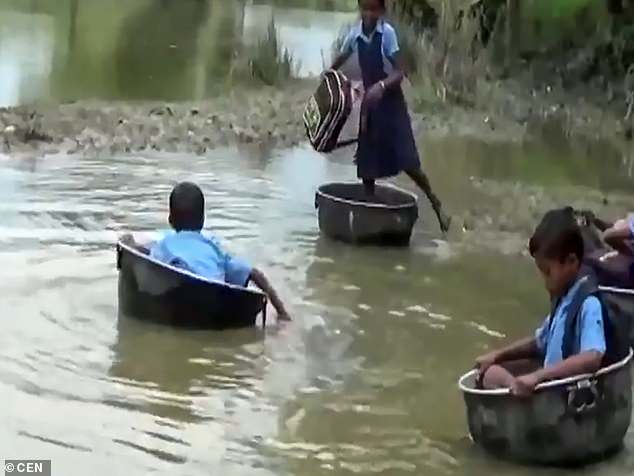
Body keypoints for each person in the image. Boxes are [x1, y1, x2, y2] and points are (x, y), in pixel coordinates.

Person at [328, 0, 451, 233]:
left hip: (392, 105)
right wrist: (328, 77)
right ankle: (369, 213)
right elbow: (339, 60)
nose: (368, 14)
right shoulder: (355, 35)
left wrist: (382, 86)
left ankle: (436, 204)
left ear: (381, 11)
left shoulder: (387, 34)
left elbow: (400, 71)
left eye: (373, 9)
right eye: (364, 9)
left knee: (408, 161)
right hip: (371, 106)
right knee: (367, 164)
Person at [475, 208, 607, 396]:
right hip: (546, 385)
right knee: (489, 372)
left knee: (498, 378)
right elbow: (539, 342)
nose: (544, 279)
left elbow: (592, 357)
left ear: (571, 261)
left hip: (564, 395)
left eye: (547, 271)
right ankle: (516, 389)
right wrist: (497, 355)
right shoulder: (563, 300)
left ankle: (519, 396)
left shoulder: (588, 304)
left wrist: (538, 376)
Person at [149, 182, 291, 321]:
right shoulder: (213, 248)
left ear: (170, 220)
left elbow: (149, 263)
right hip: (220, 306)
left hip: (181, 302)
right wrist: (282, 312)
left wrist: (130, 244)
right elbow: (254, 274)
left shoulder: (164, 246)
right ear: (203, 221)